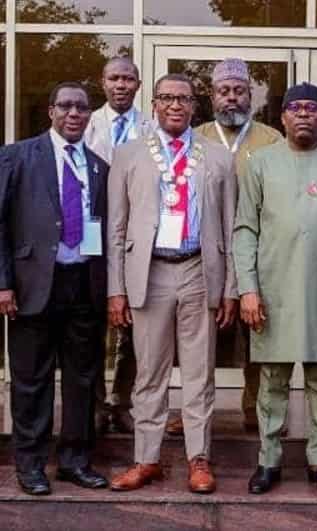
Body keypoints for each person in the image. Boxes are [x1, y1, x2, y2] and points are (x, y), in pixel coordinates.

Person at [234, 83, 317, 496]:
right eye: (296, 108)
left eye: (313, 108)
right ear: (283, 117)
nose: (304, 115)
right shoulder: (260, 163)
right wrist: (247, 289)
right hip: (271, 292)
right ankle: (268, 460)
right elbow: (245, 230)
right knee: (272, 383)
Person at [107, 73, 238, 494]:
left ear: (195, 106)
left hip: (199, 270)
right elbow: (116, 228)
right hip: (150, 273)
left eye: (183, 99)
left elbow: (232, 228)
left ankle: (199, 459)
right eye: (166, 98)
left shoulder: (218, 157)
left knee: (200, 373)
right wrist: (116, 288)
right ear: (155, 104)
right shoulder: (128, 154)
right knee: (150, 372)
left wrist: (230, 288)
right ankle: (146, 459)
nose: (175, 105)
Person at [0, 81, 110, 495]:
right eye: (65, 106)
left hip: (83, 285)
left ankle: (75, 461)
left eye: (81, 107)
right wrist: (3, 284)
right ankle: (30, 464)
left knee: (82, 380)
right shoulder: (17, 156)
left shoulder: (99, 166)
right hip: (32, 285)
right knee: (31, 380)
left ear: (89, 115)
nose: (74, 113)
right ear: (51, 111)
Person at [164, 58, 282, 436]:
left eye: (239, 90)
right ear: (212, 97)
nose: (232, 97)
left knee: (257, 336)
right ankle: (196, 412)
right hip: (204, 255)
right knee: (200, 342)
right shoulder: (194, 138)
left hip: (257, 255)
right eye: (224, 91)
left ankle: (256, 408)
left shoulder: (271, 139)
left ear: (250, 95)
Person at [85, 56, 154, 435]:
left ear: (138, 85)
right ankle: (95, 404)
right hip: (92, 233)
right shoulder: (86, 123)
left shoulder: (152, 127)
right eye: (114, 78)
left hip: (137, 237)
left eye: (128, 79)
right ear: (103, 82)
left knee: (134, 326)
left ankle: (121, 401)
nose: (121, 85)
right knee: (93, 323)